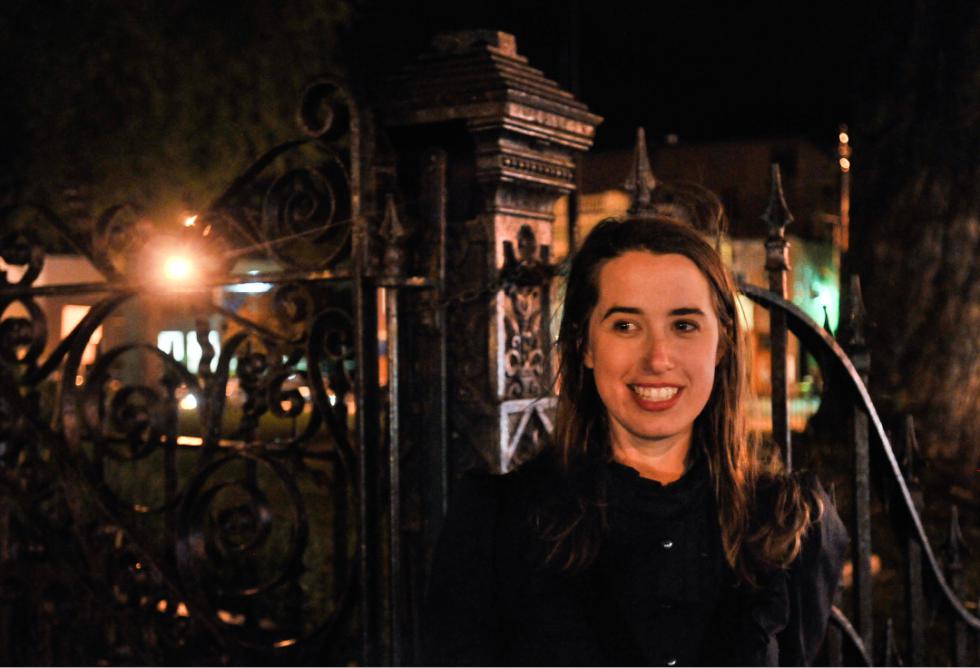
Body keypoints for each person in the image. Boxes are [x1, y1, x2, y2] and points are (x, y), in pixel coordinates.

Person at [423, 216, 848, 666]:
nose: (658, 359)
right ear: (585, 345)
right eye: (625, 325)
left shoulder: (791, 526)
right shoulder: (495, 524)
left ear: (721, 344)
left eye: (684, 326)